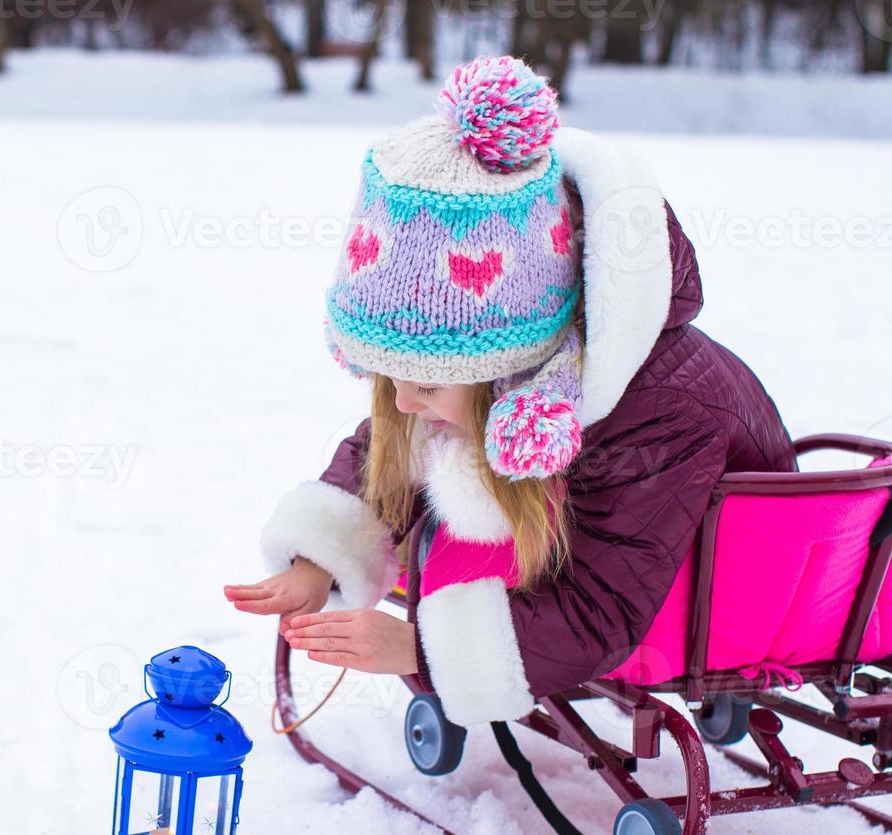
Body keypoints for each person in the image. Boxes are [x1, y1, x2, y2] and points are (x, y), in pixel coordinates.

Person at [223, 56, 796, 726]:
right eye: (391, 379)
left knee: (464, 499)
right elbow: (393, 444)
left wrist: (423, 649)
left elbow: (606, 599)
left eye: (426, 384)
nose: (404, 404)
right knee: (447, 452)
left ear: (513, 368)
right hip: (610, 562)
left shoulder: (659, 414)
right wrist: (317, 559)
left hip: (704, 603)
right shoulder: (508, 379)